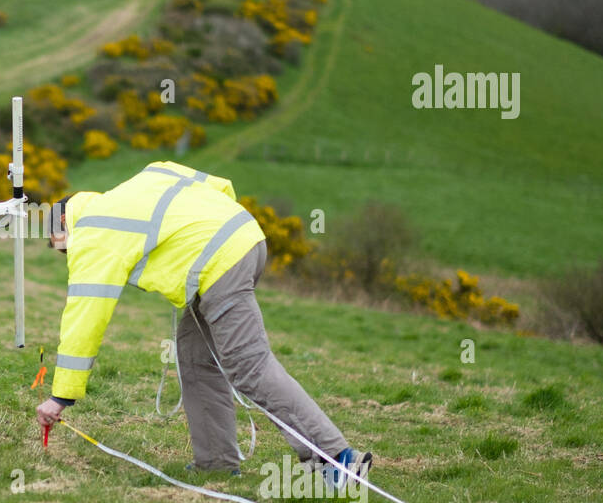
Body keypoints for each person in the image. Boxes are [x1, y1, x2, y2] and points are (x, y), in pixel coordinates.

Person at [34, 160, 371, 483]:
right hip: (244, 236)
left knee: (247, 366)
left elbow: (85, 318)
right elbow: (219, 187)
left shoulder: (93, 231)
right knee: (195, 357)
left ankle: (336, 458)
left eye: (59, 245)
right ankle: (216, 464)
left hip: (221, 263)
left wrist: (61, 397)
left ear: (64, 219)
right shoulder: (141, 181)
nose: (65, 254)